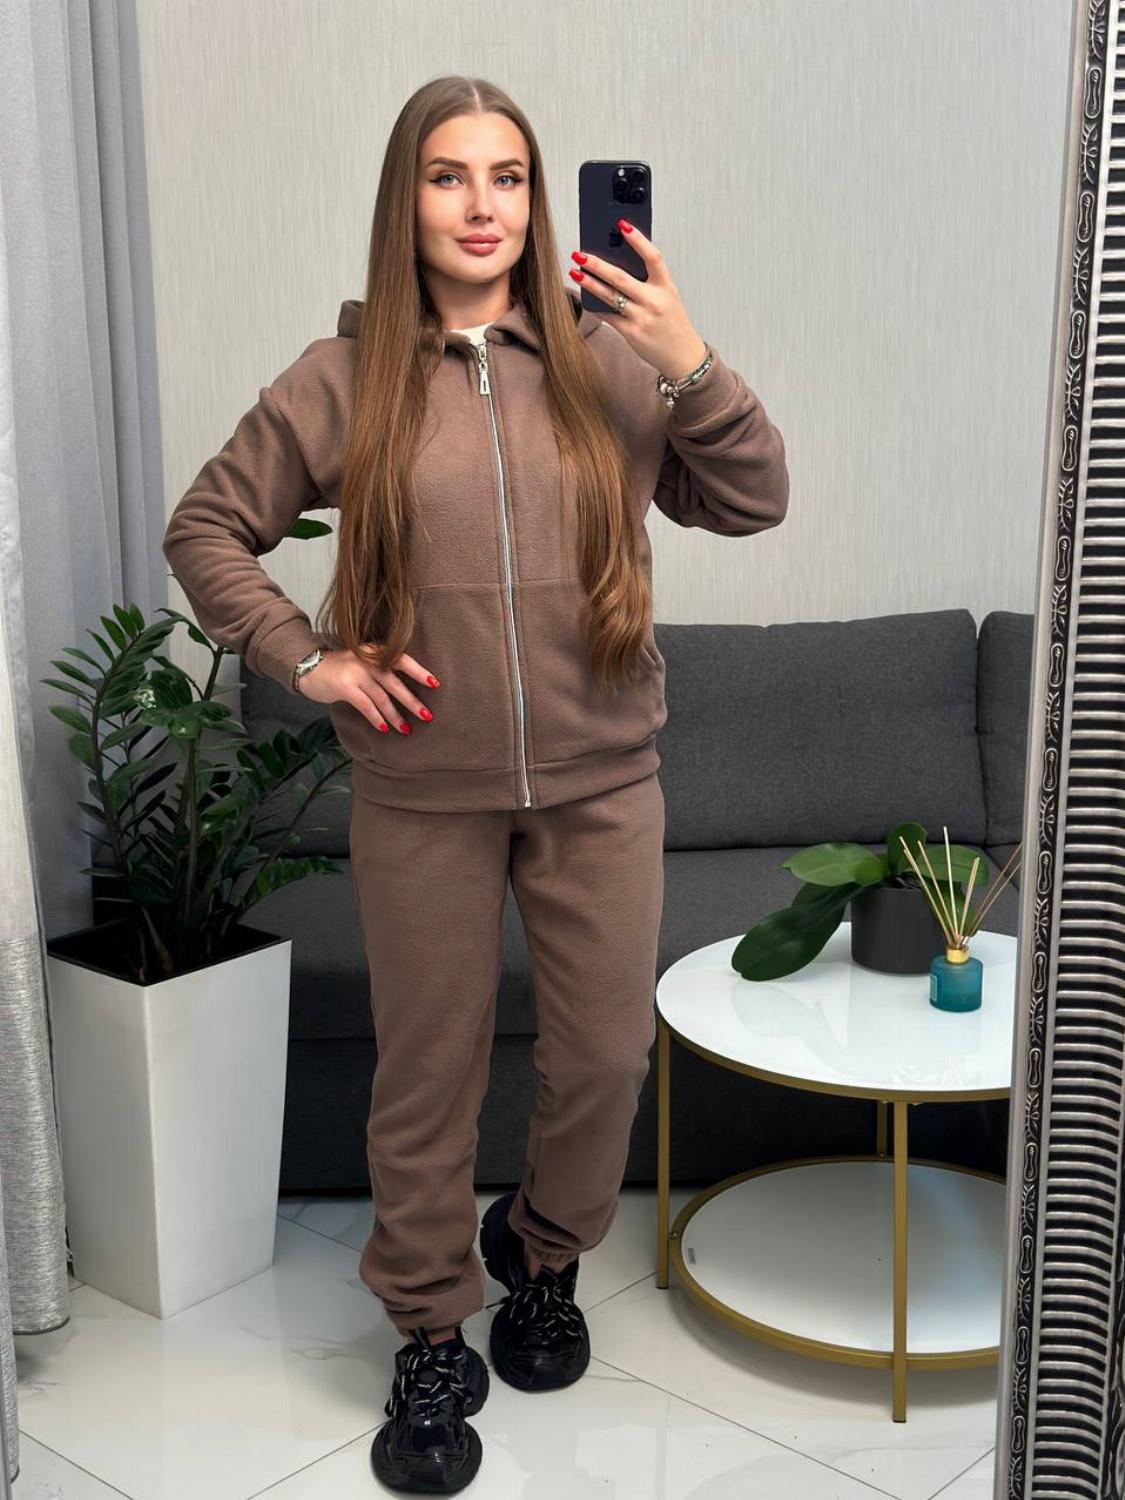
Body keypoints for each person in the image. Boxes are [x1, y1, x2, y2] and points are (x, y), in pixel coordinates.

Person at [162, 74, 789, 1497]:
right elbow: (206, 526)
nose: (482, 204)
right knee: (429, 1075)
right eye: (449, 175)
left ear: (538, 198)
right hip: (422, 791)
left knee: (604, 1057)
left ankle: (542, 1256)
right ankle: (432, 1331)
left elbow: (755, 498)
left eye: (508, 176)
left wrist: (688, 358)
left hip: (601, 779)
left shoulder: (610, 357)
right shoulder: (345, 377)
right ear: (408, 199)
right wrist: (306, 657)